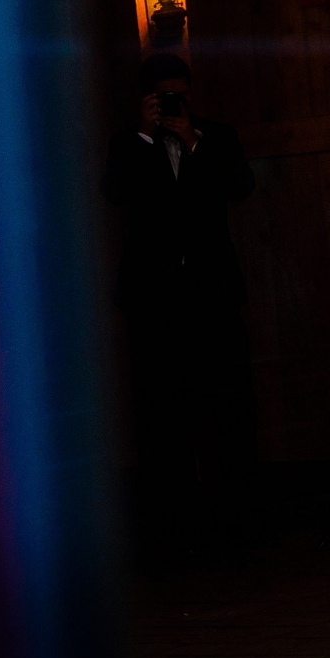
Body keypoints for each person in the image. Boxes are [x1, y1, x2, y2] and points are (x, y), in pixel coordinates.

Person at [109, 55, 260, 540]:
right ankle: (173, 524)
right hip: (154, 299)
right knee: (161, 413)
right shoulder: (129, 143)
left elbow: (241, 186)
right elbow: (116, 193)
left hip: (211, 294)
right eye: (164, 96)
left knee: (226, 407)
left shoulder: (217, 136)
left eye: (181, 95)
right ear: (147, 98)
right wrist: (147, 134)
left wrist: (194, 141)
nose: (175, 104)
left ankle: (234, 516)